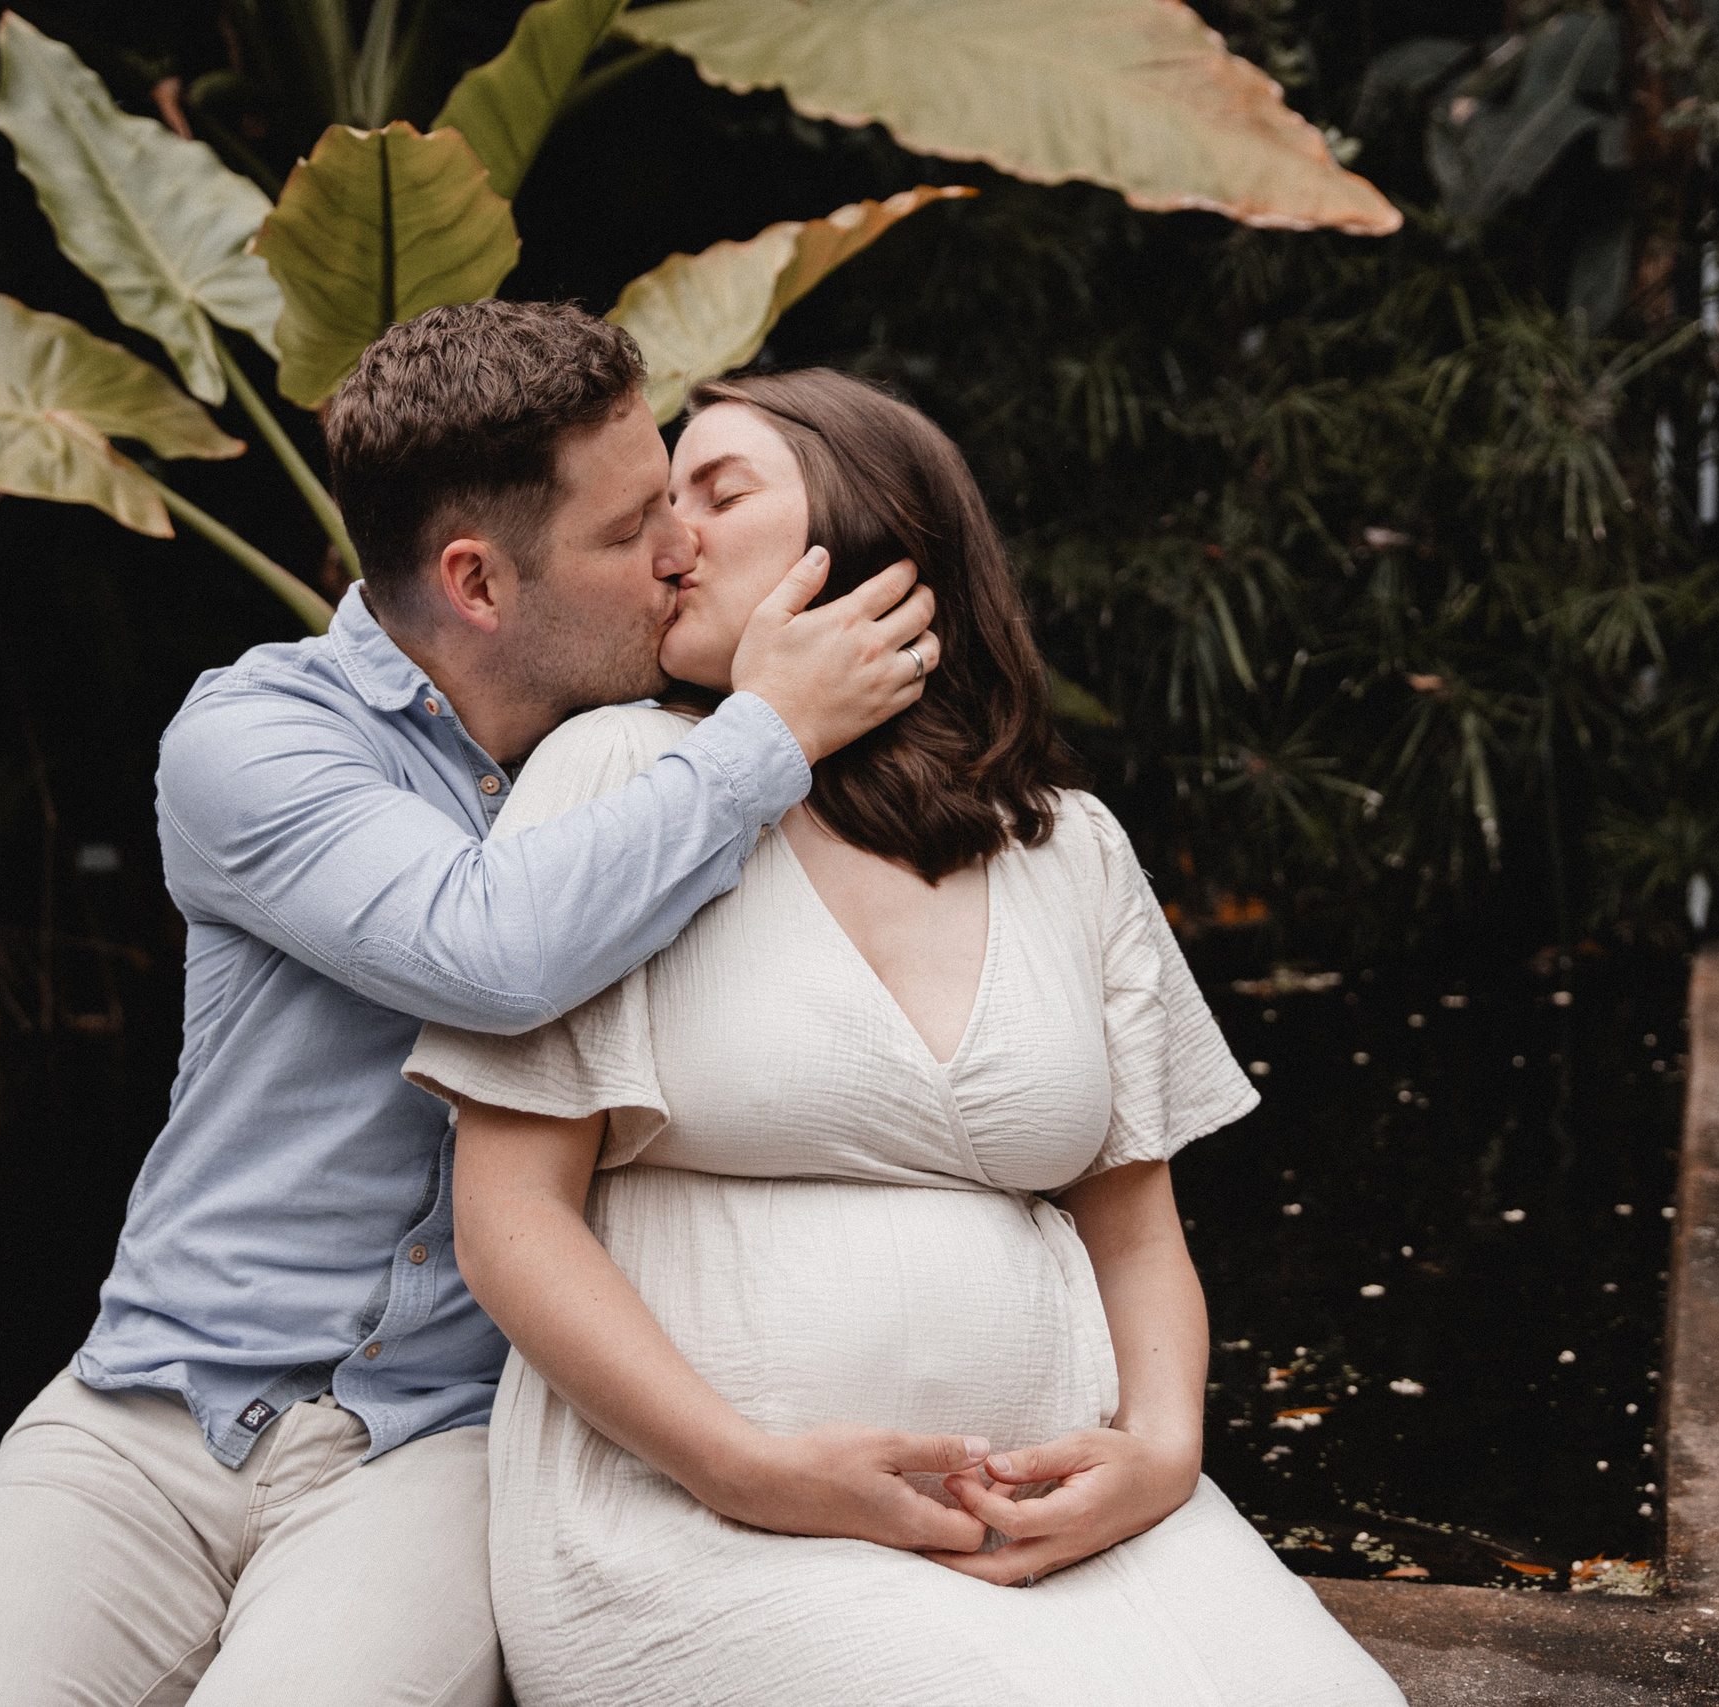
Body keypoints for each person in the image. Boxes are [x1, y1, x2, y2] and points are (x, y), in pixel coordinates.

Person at [0, 306, 958, 1707]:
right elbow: (486, 954)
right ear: (477, 585)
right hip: (151, 1410)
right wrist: (770, 733)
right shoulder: (254, 739)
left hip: (433, 1447)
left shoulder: (654, 762)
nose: (678, 551)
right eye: (630, 533)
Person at [406, 369, 1407, 1706]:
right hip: (700, 1522)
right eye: (653, 507)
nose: (667, 542)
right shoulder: (615, 784)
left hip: (1053, 1527)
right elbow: (511, 1222)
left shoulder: (1066, 844)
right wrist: (743, 1467)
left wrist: (1162, 1451)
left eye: (718, 492)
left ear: (876, 533)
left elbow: (1134, 1225)